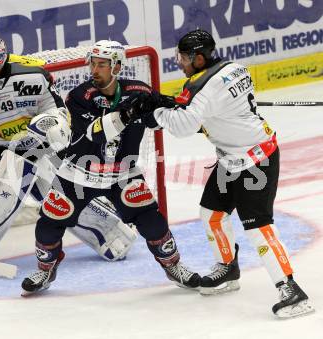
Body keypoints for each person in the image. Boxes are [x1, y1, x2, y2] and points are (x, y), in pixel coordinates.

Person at [134, 29, 314, 318]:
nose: (179, 62)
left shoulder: (205, 88)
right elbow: (198, 108)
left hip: (257, 160)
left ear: (200, 58)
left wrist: (155, 112)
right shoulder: (233, 68)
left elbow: (184, 125)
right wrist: (170, 103)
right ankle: (228, 268)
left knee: (258, 226)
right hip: (231, 159)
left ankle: (291, 289)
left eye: (183, 57)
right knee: (212, 213)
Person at [21, 40, 201, 295]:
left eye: (102, 64)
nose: (95, 69)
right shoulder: (79, 97)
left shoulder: (138, 91)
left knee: (153, 222)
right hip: (78, 174)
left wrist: (167, 106)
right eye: (93, 63)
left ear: (116, 66)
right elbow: (95, 134)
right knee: (49, 223)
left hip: (122, 173)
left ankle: (173, 265)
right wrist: (128, 113)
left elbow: (166, 123)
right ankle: (45, 269)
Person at [0, 33, 137, 271]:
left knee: (59, 192)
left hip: (34, 142)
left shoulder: (33, 74)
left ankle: (112, 234)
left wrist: (55, 126)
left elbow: (56, 110)